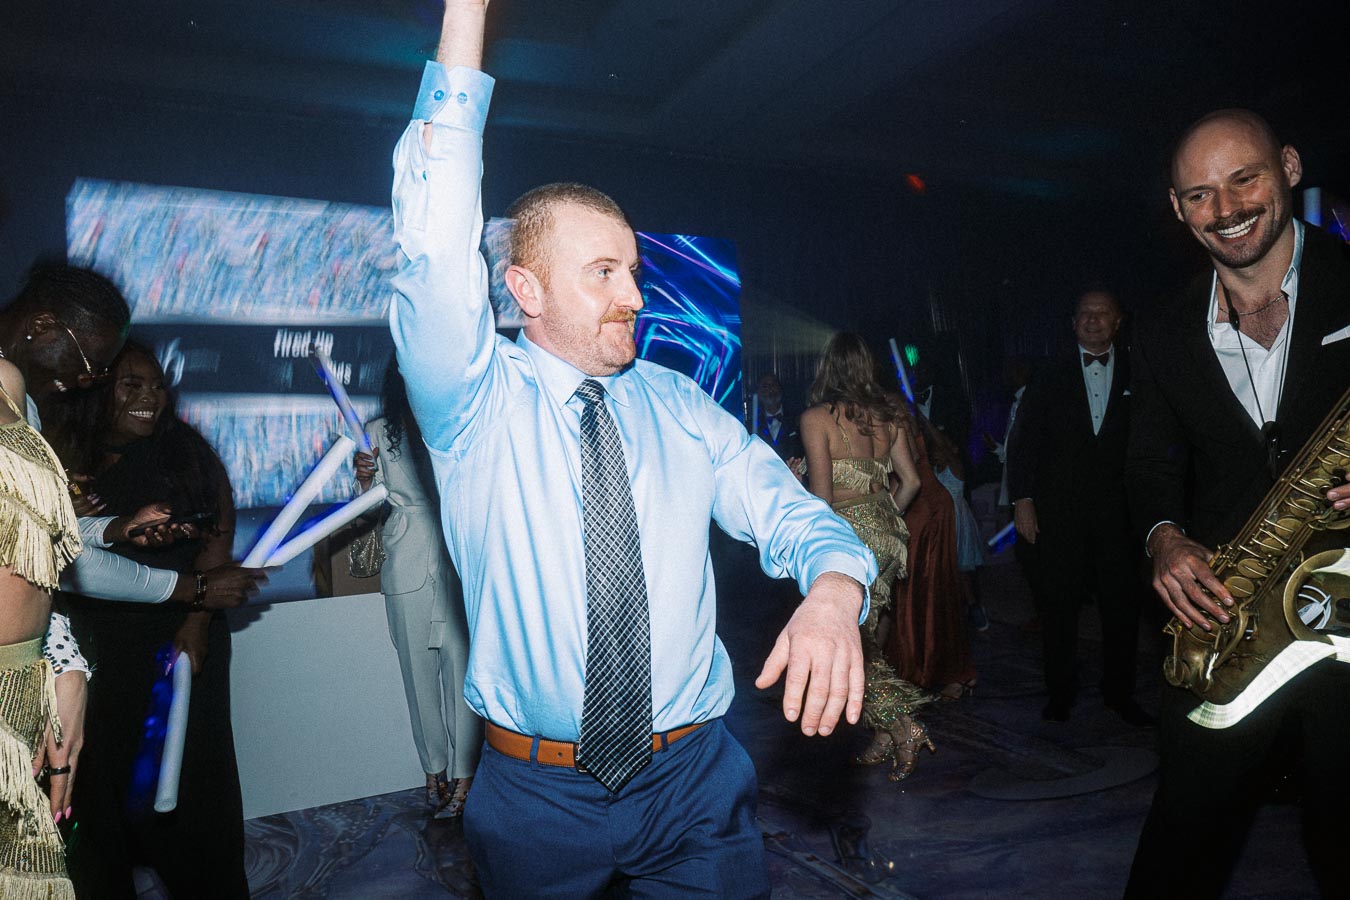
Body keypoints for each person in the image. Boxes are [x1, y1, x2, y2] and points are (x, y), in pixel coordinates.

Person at [389, 3, 876, 896]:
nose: (635, 295)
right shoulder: (471, 401)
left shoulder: (680, 403)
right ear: (525, 288)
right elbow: (431, 237)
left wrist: (837, 590)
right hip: (536, 797)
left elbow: (792, 513)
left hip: (695, 786)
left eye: (636, 272)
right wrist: (468, 14)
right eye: (603, 273)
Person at [1124, 109, 1350, 897]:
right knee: (1179, 844)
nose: (1226, 209)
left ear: (1289, 166)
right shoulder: (1158, 331)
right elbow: (1148, 464)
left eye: (1244, 178)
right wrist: (1163, 538)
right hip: (1233, 612)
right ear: (1180, 210)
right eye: (1200, 194)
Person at [49, 342, 251, 897]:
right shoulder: (59, 456)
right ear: (95, 390)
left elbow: (217, 539)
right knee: (99, 793)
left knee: (190, 788)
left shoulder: (186, 453)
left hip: (174, 645)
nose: (150, 398)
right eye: (131, 385)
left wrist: (196, 623)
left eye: (156, 385)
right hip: (95, 651)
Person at [1007, 290, 1148, 725]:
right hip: (1059, 515)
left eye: (1101, 313)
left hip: (1120, 518)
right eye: (1084, 313)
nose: (1092, 320)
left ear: (1118, 321)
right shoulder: (1048, 375)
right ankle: (1060, 692)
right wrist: (1023, 500)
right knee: (1058, 608)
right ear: (1072, 323)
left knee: (1121, 609)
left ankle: (1119, 693)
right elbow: (1024, 440)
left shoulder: (1139, 372)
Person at [800, 333, 935, 781]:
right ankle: (881, 734)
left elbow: (820, 499)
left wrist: (793, 480)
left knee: (854, 644)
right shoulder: (889, 417)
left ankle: (903, 726)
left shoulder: (817, 419)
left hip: (845, 538)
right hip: (889, 536)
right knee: (870, 636)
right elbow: (911, 482)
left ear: (826, 367)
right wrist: (883, 518)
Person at [353, 356, 481, 819]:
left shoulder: (458, 423)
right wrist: (364, 481)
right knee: (417, 677)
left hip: (459, 562)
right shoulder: (377, 430)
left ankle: (465, 779)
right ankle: (434, 771)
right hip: (406, 560)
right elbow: (365, 513)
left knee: (464, 675)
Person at [883, 409, 978, 701]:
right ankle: (931, 668)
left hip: (921, 511)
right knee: (929, 591)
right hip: (925, 507)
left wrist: (884, 511)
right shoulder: (892, 407)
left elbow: (907, 468)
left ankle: (926, 670)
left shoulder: (890, 410)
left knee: (918, 593)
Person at [750, 371, 803, 461]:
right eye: (765, 386)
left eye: (773, 385)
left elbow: (807, 453)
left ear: (780, 389)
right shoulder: (752, 426)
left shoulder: (797, 420)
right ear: (759, 392)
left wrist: (799, 471)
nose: (770, 390)